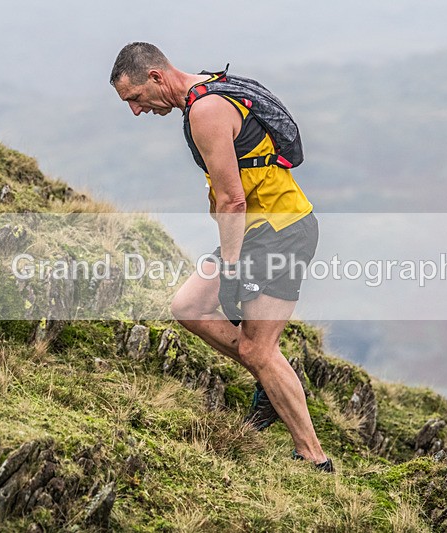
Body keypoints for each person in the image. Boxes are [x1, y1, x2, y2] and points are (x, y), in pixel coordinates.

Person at [110, 42, 332, 472]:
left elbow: (232, 200)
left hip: (280, 231)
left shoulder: (205, 110)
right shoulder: (207, 88)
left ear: (156, 77)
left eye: (135, 99)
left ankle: (314, 456)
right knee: (188, 307)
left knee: (257, 349)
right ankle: (272, 375)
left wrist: (230, 268)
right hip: (253, 230)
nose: (136, 111)